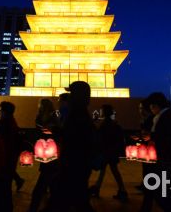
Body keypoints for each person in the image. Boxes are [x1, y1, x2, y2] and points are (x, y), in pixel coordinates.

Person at [48, 81, 95, 212]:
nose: (69, 97)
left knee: (69, 197)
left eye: (72, 93)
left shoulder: (77, 114)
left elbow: (72, 137)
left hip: (73, 163)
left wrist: (56, 130)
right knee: (78, 198)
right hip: (78, 164)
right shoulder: (82, 112)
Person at [140, 92, 171, 212]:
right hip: (158, 159)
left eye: (151, 107)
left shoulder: (167, 118)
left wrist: (152, 136)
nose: (150, 110)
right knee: (155, 188)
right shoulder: (159, 117)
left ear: (155, 105)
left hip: (164, 159)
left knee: (163, 192)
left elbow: (169, 137)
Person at [89, 104, 128, 201]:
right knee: (111, 170)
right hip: (112, 151)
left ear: (104, 112)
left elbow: (98, 135)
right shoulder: (113, 124)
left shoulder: (104, 124)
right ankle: (121, 190)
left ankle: (121, 190)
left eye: (101, 110)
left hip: (106, 151)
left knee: (109, 170)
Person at [29, 99, 60, 212]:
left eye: (40, 105)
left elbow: (48, 132)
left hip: (48, 151)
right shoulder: (53, 117)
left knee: (41, 185)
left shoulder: (45, 118)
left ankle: (34, 207)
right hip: (49, 151)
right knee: (51, 182)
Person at [0, 101, 21, 212]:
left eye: (0, 109)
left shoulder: (4, 123)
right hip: (10, 158)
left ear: (4, 111)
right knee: (6, 188)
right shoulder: (12, 122)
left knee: (4, 188)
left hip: (5, 158)